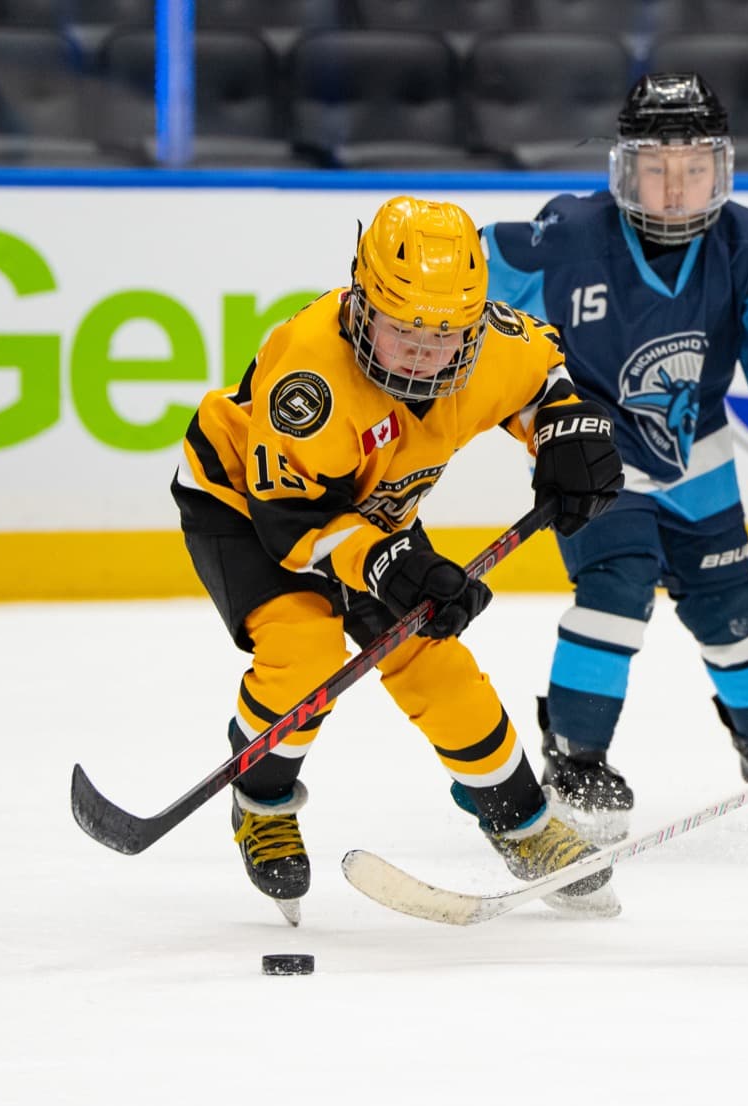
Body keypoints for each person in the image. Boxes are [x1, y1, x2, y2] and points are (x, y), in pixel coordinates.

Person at [172, 195, 624, 924]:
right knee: (305, 647)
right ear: (360, 304)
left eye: (445, 338)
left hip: (372, 516)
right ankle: (261, 801)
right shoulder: (310, 380)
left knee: (432, 657)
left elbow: (545, 377)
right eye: (402, 332)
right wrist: (391, 563)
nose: (424, 354)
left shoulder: (483, 345)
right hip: (248, 508)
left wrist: (567, 432)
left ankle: (524, 824)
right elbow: (295, 527)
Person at [469, 72, 748, 843]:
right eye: (656, 166)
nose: (676, 187)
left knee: (731, 604)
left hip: (697, 452)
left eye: (693, 167)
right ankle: (577, 756)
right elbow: (467, 279)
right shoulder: (570, 238)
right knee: (617, 584)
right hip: (593, 448)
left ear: (722, 167)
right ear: (624, 168)